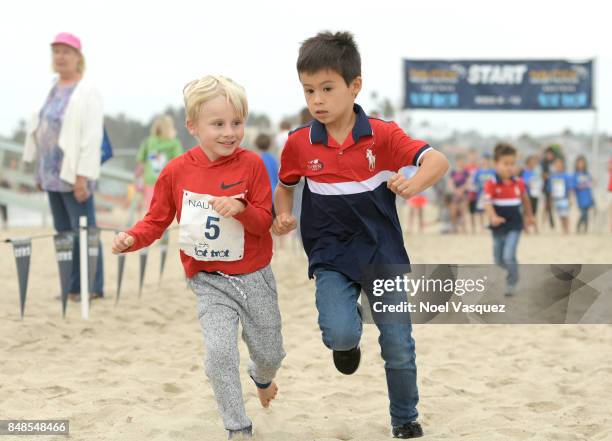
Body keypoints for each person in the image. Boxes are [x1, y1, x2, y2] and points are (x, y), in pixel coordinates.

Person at [272, 31, 449, 439]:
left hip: (381, 252)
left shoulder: (383, 135)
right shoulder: (299, 143)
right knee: (339, 332)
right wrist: (283, 215)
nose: (317, 99)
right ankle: (346, 343)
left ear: (355, 86)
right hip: (331, 253)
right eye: (309, 90)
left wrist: (413, 183)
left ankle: (405, 419)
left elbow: (436, 160)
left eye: (327, 89)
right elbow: (285, 186)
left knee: (398, 345)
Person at [112, 75, 285, 439]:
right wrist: (132, 237)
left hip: (254, 276)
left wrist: (240, 208)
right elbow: (156, 220)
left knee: (270, 353)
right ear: (192, 126)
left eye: (237, 123)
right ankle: (238, 427)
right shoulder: (176, 172)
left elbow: (263, 223)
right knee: (219, 354)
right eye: (218, 124)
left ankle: (262, 376)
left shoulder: (251, 165)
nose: (229, 132)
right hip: (208, 280)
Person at [22, 32, 104, 302]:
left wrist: (82, 175)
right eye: (56, 51)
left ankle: (91, 286)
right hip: (50, 173)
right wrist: (39, 171)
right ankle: (71, 287)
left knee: (84, 229)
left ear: (78, 57)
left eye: (66, 51)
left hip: (74, 173)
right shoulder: (53, 87)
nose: (60, 56)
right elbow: (42, 130)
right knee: (64, 233)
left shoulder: (87, 90)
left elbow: (92, 136)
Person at [483, 143, 534, 297]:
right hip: (497, 225)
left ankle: (512, 281)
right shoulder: (491, 183)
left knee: (508, 255)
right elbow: (487, 203)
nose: (510, 167)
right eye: (506, 164)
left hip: (515, 225)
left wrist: (529, 216)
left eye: (512, 164)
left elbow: (525, 200)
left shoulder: (519, 182)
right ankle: (514, 269)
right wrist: (493, 217)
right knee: (498, 260)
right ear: (496, 164)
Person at [135, 115, 183, 212]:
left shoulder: (148, 142)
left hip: (150, 182)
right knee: (165, 209)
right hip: (167, 182)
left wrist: (137, 179)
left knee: (151, 208)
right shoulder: (174, 143)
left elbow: (140, 163)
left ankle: (152, 226)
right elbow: (180, 163)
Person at [470, 153, 496, 233]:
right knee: (480, 211)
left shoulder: (493, 171)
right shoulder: (478, 172)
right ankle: (481, 227)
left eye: (487, 160)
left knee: (490, 209)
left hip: (491, 194)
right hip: (481, 193)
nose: (485, 162)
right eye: (484, 160)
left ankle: (490, 225)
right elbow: (474, 182)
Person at [549, 156, 573, 234]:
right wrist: (551, 199)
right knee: (560, 215)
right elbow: (551, 189)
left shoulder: (566, 176)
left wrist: (570, 199)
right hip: (557, 198)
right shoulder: (553, 176)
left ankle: (567, 229)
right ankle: (563, 229)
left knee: (565, 214)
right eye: (556, 165)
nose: (558, 166)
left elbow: (569, 188)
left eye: (559, 164)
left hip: (564, 198)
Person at [520, 155, 542, 233]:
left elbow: (539, 182)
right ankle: (527, 229)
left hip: (535, 194)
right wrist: (529, 183)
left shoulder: (535, 172)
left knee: (534, 212)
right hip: (527, 194)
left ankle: (536, 229)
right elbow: (523, 182)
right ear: (528, 163)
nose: (533, 164)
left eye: (534, 162)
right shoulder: (525, 172)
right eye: (532, 162)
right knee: (526, 212)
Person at [573, 155, 594, 234]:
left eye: (582, 163)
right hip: (580, 198)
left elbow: (591, 182)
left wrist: (592, 183)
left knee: (587, 214)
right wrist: (584, 185)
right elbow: (574, 186)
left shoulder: (587, 174)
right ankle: (578, 227)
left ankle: (585, 229)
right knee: (583, 213)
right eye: (579, 163)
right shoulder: (575, 174)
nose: (581, 165)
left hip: (588, 197)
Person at [448, 154, 469, 233]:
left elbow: (468, 182)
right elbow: (450, 183)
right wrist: (455, 190)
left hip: (464, 194)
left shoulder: (466, 172)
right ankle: (454, 228)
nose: (460, 163)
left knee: (463, 211)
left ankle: (464, 229)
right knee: (453, 211)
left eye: (462, 161)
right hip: (455, 194)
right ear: (456, 162)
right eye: (459, 161)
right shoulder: (453, 172)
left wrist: (461, 190)